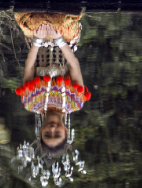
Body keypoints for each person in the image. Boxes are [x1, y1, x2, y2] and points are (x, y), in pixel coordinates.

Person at [13, 12, 89, 184]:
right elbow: (74, 65)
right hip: (66, 41)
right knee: (63, 18)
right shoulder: (75, 102)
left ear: (40, 132)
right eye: (57, 134)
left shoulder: (31, 103)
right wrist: (60, 39)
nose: (52, 129)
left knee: (30, 18)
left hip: (37, 41)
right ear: (66, 132)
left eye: (47, 134)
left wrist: (38, 40)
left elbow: (30, 65)